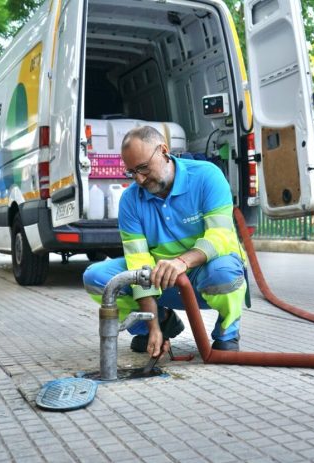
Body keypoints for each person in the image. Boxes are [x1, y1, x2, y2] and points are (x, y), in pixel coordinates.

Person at [83, 126, 246, 359]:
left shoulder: (207, 176)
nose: (138, 179)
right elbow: (138, 265)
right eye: (131, 172)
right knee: (97, 279)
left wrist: (181, 262)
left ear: (163, 151)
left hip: (205, 274)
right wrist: (153, 327)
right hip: (162, 280)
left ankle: (226, 333)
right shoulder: (130, 200)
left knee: (224, 272)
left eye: (143, 168)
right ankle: (160, 324)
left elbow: (219, 236)